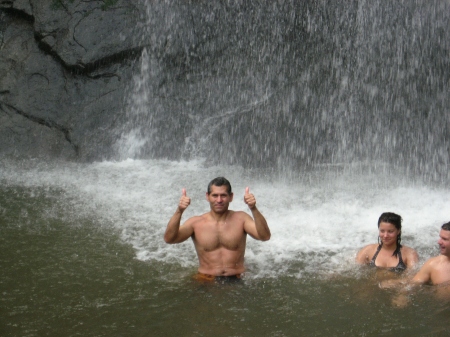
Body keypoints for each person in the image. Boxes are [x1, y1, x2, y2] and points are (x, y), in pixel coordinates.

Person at [164, 177, 271, 281]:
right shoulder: (196, 223)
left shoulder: (241, 219)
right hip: (206, 279)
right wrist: (179, 210)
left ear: (231, 197)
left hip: (237, 278)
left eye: (223, 195)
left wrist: (253, 208)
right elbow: (169, 239)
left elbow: (264, 236)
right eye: (215, 195)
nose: (219, 200)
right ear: (208, 196)